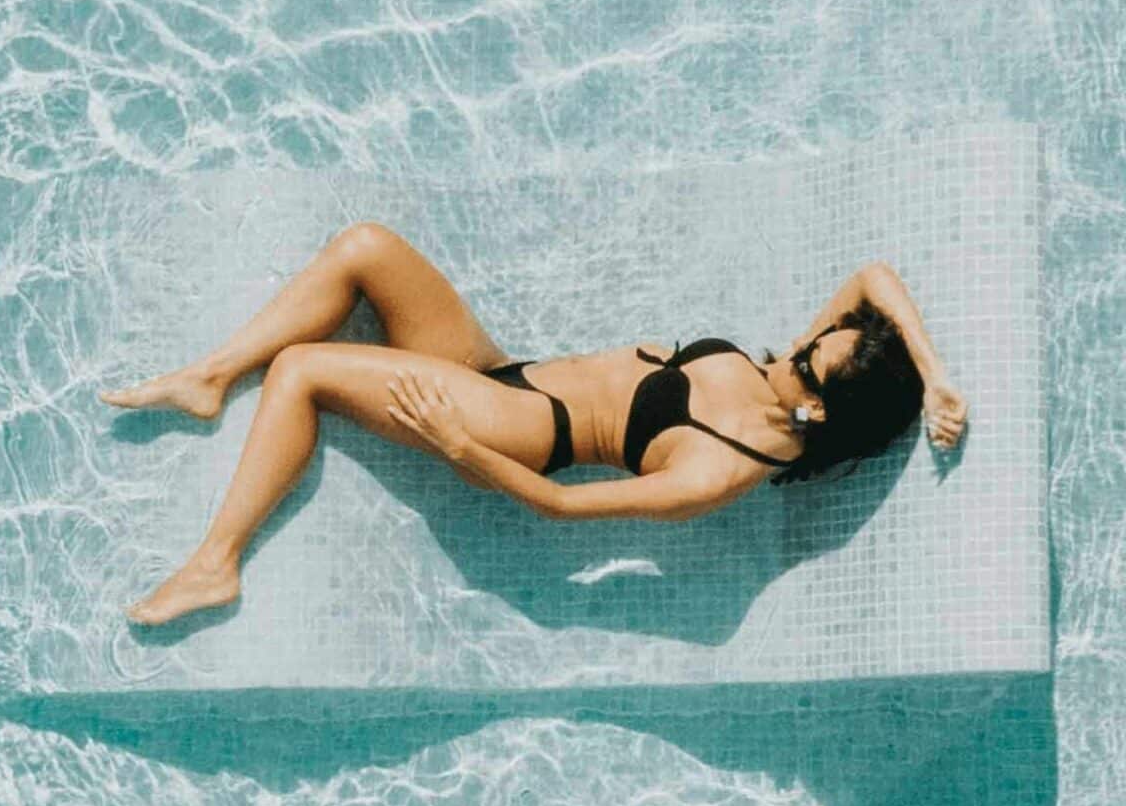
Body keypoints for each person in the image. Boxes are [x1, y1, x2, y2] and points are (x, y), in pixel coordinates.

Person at [104, 222, 971, 626]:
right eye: (814, 340)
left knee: (302, 374)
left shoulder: (723, 467)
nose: (793, 347)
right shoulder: (803, 376)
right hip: (497, 368)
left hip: (518, 425)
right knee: (366, 245)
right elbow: (872, 276)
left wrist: (461, 446)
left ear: (817, 406)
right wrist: (932, 378)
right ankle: (211, 378)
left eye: (806, 362)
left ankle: (216, 565)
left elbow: (563, 512)